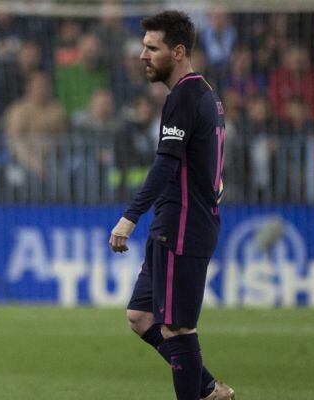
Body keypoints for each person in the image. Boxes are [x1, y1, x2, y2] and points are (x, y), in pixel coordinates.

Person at [108, 11, 235, 400]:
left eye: (152, 48)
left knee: (178, 328)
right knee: (141, 316)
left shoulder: (183, 97)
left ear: (178, 52)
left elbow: (166, 162)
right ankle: (210, 389)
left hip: (182, 226)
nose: (143, 55)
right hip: (176, 222)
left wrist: (129, 217)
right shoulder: (203, 93)